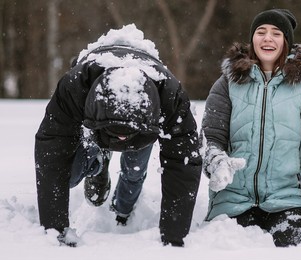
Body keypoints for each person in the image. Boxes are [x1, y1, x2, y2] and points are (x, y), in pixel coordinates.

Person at [201, 9, 301, 247]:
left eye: (276, 33)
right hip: (233, 199)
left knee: (296, 247)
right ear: (252, 39)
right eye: (261, 32)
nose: (267, 38)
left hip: (291, 199)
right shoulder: (227, 83)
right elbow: (211, 138)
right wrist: (215, 161)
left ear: (286, 41)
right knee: (228, 248)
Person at [34, 24, 202, 247]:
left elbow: (183, 163)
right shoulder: (76, 87)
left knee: (134, 171)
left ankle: (122, 213)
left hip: (142, 123)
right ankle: (97, 162)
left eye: (126, 135)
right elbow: (52, 152)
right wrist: (55, 230)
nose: (121, 141)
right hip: (99, 121)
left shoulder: (169, 97)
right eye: (116, 134)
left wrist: (173, 237)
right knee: (70, 174)